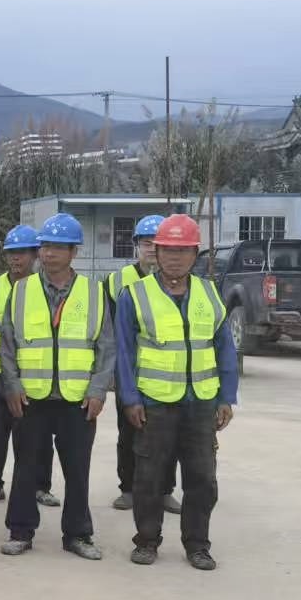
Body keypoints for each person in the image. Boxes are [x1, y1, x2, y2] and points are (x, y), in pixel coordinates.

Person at [118, 215, 236, 570]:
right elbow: (124, 352)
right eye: (168, 250)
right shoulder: (135, 294)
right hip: (154, 403)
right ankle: (146, 541)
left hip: (201, 403)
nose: (174, 257)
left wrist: (226, 397)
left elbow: (224, 348)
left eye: (182, 250)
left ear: (194, 254)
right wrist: (130, 399)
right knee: (149, 477)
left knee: (202, 478)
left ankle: (197, 544)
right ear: (156, 252)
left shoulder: (209, 293)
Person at [0, 213, 114, 560]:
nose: (49, 253)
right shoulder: (21, 291)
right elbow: (7, 344)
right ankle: (20, 531)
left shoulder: (94, 292)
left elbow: (106, 347)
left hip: (77, 400)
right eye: (45, 246)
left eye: (58, 247)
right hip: (31, 397)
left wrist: (98, 390)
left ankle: (78, 534)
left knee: (77, 470)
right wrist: (11, 385)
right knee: (25, 468)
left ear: (74, 252)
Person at [0, 224, 56, 508]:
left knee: (38, 434)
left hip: (34, 373)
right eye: (11, 252)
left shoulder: (45, 290)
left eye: (22, 252)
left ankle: (40, 486)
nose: (16, 258)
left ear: (35, 255)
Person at [107, 213, 179, 513]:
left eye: (157, 243)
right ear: (136, 246)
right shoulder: (117, 281)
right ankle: (129, 488)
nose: (151, 249)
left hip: (166, 373)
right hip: (129, 370)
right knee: (128, 433)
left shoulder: (177, 283)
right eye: (146, 243)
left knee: (168, 437)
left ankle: (164, 490)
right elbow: (109, 330)